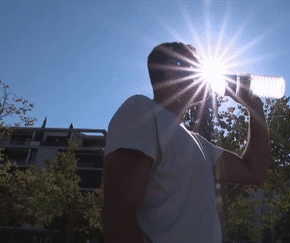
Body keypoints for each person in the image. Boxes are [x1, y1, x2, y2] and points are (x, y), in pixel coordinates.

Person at [101, 42, 270, 243]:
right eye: (196, 67)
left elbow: (254, 171)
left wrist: (255, 110)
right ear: (172, 70)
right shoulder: (142, 111)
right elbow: (118, 214)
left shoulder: (200, 144)